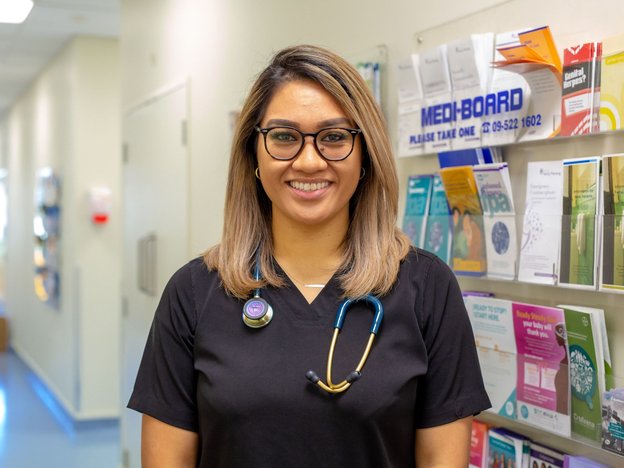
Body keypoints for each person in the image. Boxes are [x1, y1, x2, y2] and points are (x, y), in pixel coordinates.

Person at [128, 44, 491, 468]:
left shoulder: (426, 288)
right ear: (253, 155)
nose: (308, 160)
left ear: (366, 155)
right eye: (284, 136)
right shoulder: (194, 293)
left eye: (334, 137)